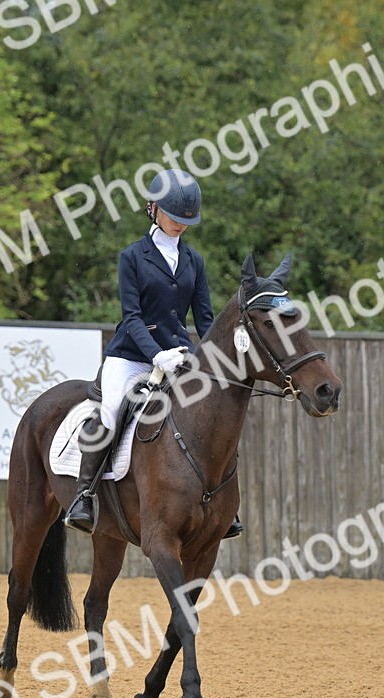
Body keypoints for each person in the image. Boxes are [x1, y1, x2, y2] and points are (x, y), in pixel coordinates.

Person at [65, 169, 244, 539]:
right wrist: (156, 355)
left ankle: (222, 505)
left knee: (213, 414)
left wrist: (203, 359)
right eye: (174, 216)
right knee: (113, 410)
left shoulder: (194, 261)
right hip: (131, 356)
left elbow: (206, 319)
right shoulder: (132, 257)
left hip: (179, 357)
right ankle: (84, 495)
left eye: (186, 219)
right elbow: (131, 317)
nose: (181, 224)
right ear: (154, 209)